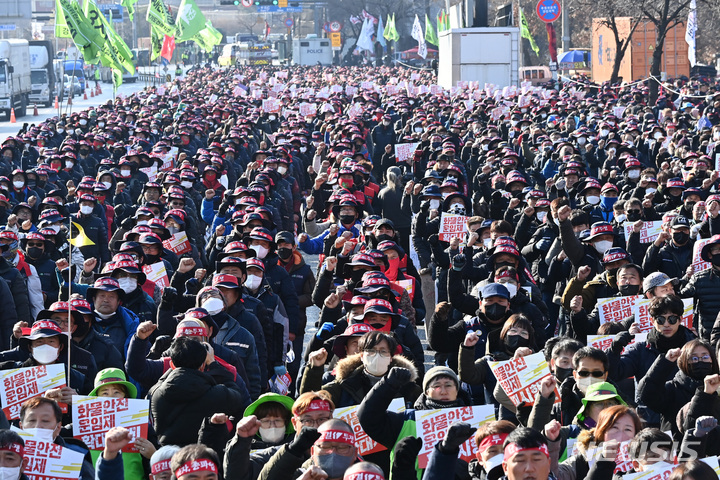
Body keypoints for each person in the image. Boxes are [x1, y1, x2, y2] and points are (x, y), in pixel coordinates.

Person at [148, 337, 247, 446]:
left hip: (168, 456)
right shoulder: (216, 394)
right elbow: (237, 396)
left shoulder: (156, 393)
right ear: (203, 366)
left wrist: (177, 365)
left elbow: (158, 382)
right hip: (204, 456)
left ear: (172, 365)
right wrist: (213, 363)